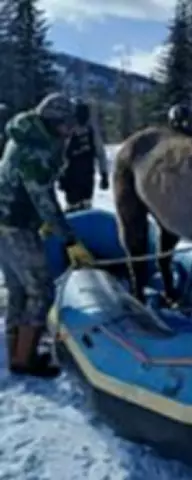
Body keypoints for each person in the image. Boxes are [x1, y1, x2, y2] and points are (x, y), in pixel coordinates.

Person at [0, 93, 95, 378]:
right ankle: (26, 359)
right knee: (41, 290)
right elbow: (45, 200)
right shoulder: (36, 151)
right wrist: (69, 239)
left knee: (18, 289)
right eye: (66, 125)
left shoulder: (24, 137)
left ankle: (16, 350)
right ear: (54, 122)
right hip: (16, 227)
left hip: (5, 221)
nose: (70, 131)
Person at [59, 100, 109, 212]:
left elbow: (100, 152)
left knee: (86, 206)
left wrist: (104, 173)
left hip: (87, 176)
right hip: (71, 176)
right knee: (73, 206)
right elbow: (60, 154)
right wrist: (60, 175)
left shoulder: (91, 130)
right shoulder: (67, 132)